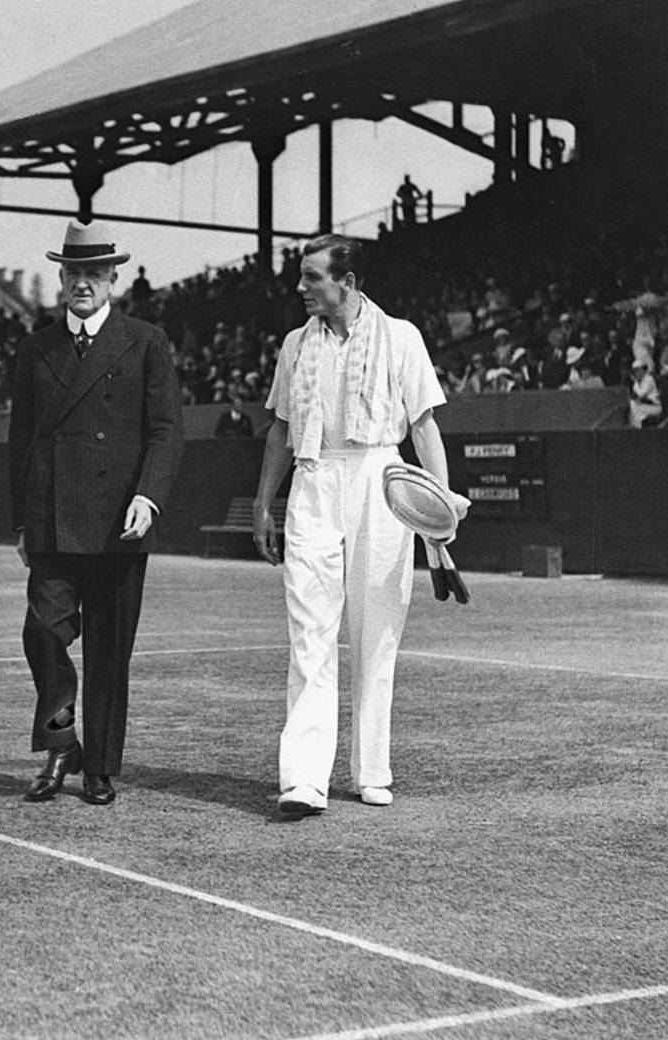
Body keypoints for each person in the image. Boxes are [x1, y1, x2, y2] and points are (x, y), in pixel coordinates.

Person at [252, 234, 465, 818]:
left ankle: (372, 770)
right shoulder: (295, 346)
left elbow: (423, 427)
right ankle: (303, 779)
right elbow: (278, 428)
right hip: (314, 478)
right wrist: (264, 502)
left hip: (380, 476)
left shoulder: (402, 336)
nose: (301, 288)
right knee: (310, 634)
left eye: (312, 278)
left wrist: (440, 507)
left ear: (347, 283)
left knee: (377, 631)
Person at [8, 219, 185, 806]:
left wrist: (148, 495)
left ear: (113, 278)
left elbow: (165, 431)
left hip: (119, 522)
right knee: (42, 632)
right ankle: (62, 744)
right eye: (73, 273)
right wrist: (21, 523)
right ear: (60, 279)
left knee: (109, 651)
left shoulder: (147, 341)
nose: (82, 283)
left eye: (93, 273)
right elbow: (22, 441)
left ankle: (100, 767)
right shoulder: (37, 349)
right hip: (54, 523)